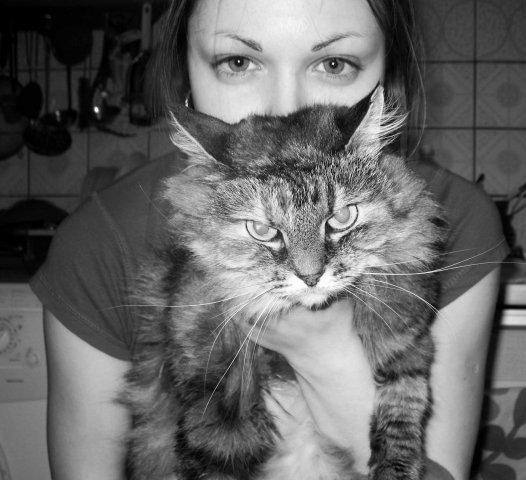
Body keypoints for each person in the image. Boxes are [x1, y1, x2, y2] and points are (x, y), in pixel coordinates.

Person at [31, 1, 509, 479]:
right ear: (183, 67)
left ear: (389, 67)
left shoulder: (463, 220)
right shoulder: (95, 243)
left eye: (334, 63)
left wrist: (324, 353)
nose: (285, 106)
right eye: (238, 62)